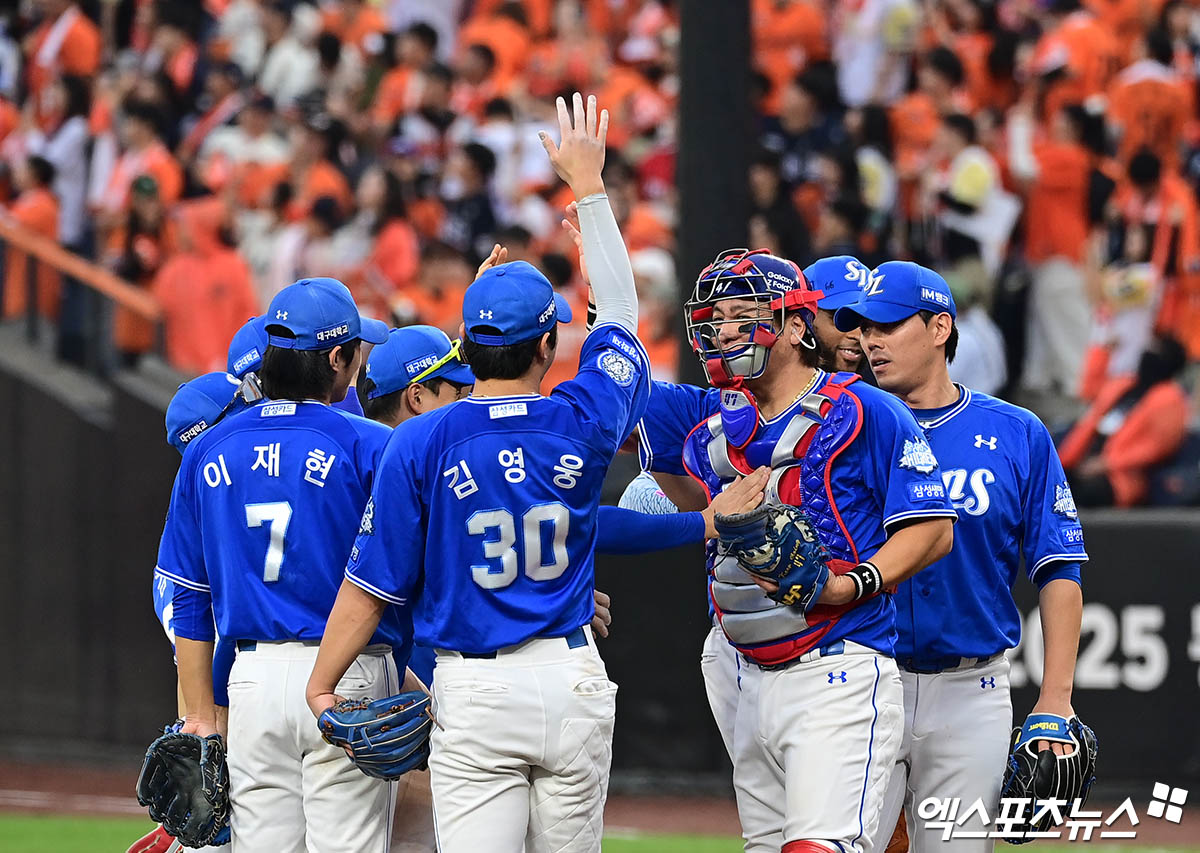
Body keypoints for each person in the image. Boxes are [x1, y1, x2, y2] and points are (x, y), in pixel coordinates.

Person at [306, 93, 649, 853]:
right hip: (570, 676)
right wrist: (589, 190)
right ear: (547, 345)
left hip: (475, 687)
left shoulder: (423, 438)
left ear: (468, 345)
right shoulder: (584, 418)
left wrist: (322, 683)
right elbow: (621, 313)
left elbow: (370, 586)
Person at [635, 249, 957, 853]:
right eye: (714, 318)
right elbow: (614, 377)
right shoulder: (710, 424)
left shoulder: (865, 408)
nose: (724, 331)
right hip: (747, 673)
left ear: (793, 325)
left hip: (838, 663)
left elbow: (934, 530)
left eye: (743, 314)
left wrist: (851, 584)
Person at [830, 261, 1088, 853]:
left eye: (888, 326)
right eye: (862, 328)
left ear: (940, 327)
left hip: (971, 691)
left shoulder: (1016, 431)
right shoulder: (841, 427)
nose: (871, 341)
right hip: (864, 680)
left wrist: (1056, 698)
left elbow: (1059, 568)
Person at [155, 276, 412, 851]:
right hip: (348, 672)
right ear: (338, 358)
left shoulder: (205, 452)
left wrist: (199, 718)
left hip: (252, 681)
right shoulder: (369, 444)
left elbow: (190, 601)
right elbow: (404, 569)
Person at [127, 371, 250, 853]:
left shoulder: (186, 526)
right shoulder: (216, 529)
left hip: (230, 724)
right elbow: (202, 668)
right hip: (241, 729)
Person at [1059, 334, 1190, 508]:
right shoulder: (1123, 384)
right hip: (1080, 459)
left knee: (1084, 493)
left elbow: (1155, 448)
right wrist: (1103, 351)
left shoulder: (1170, 398)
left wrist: (1107, 463)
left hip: (1120, 476)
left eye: (1156, 351)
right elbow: (1089, 389)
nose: (1148, 354)